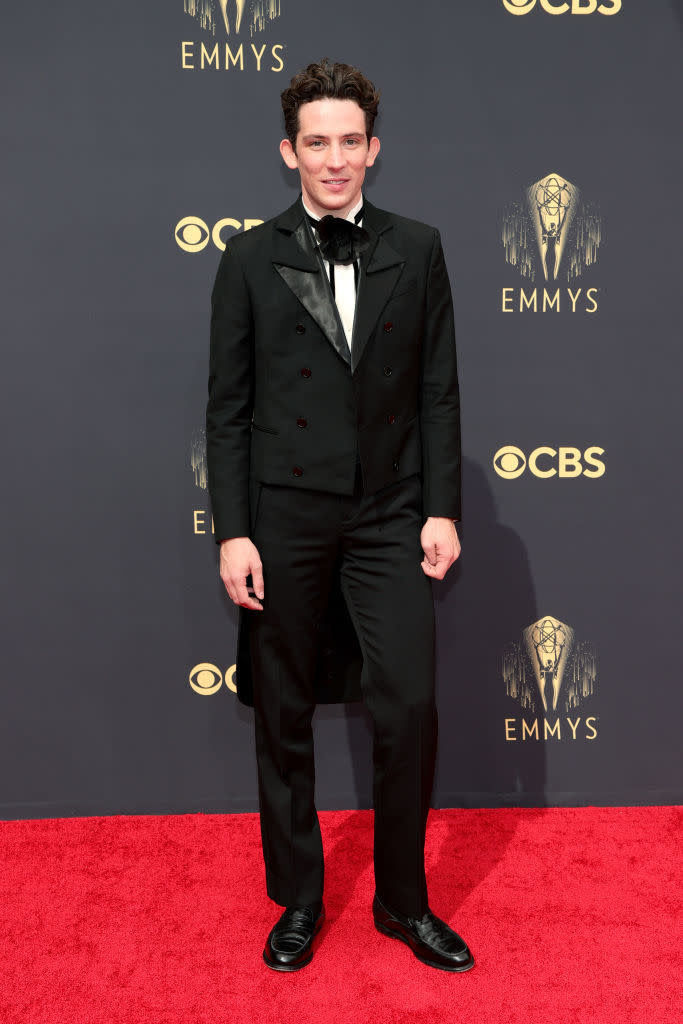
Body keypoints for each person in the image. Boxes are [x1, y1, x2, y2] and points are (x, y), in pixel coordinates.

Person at [206, 58, 473, 974]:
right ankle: (300, 899)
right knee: (282, 709)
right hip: (283, 515)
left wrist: (441, 509)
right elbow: (227, 406)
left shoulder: (420, 246)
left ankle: (403, 902)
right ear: (289, 153)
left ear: (373, 149)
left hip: (390, 514)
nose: (333, 159)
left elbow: (439, 392)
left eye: (348, 141)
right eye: (314, 142)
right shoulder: (247, 257)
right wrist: (232, 530)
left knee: (408, 705)